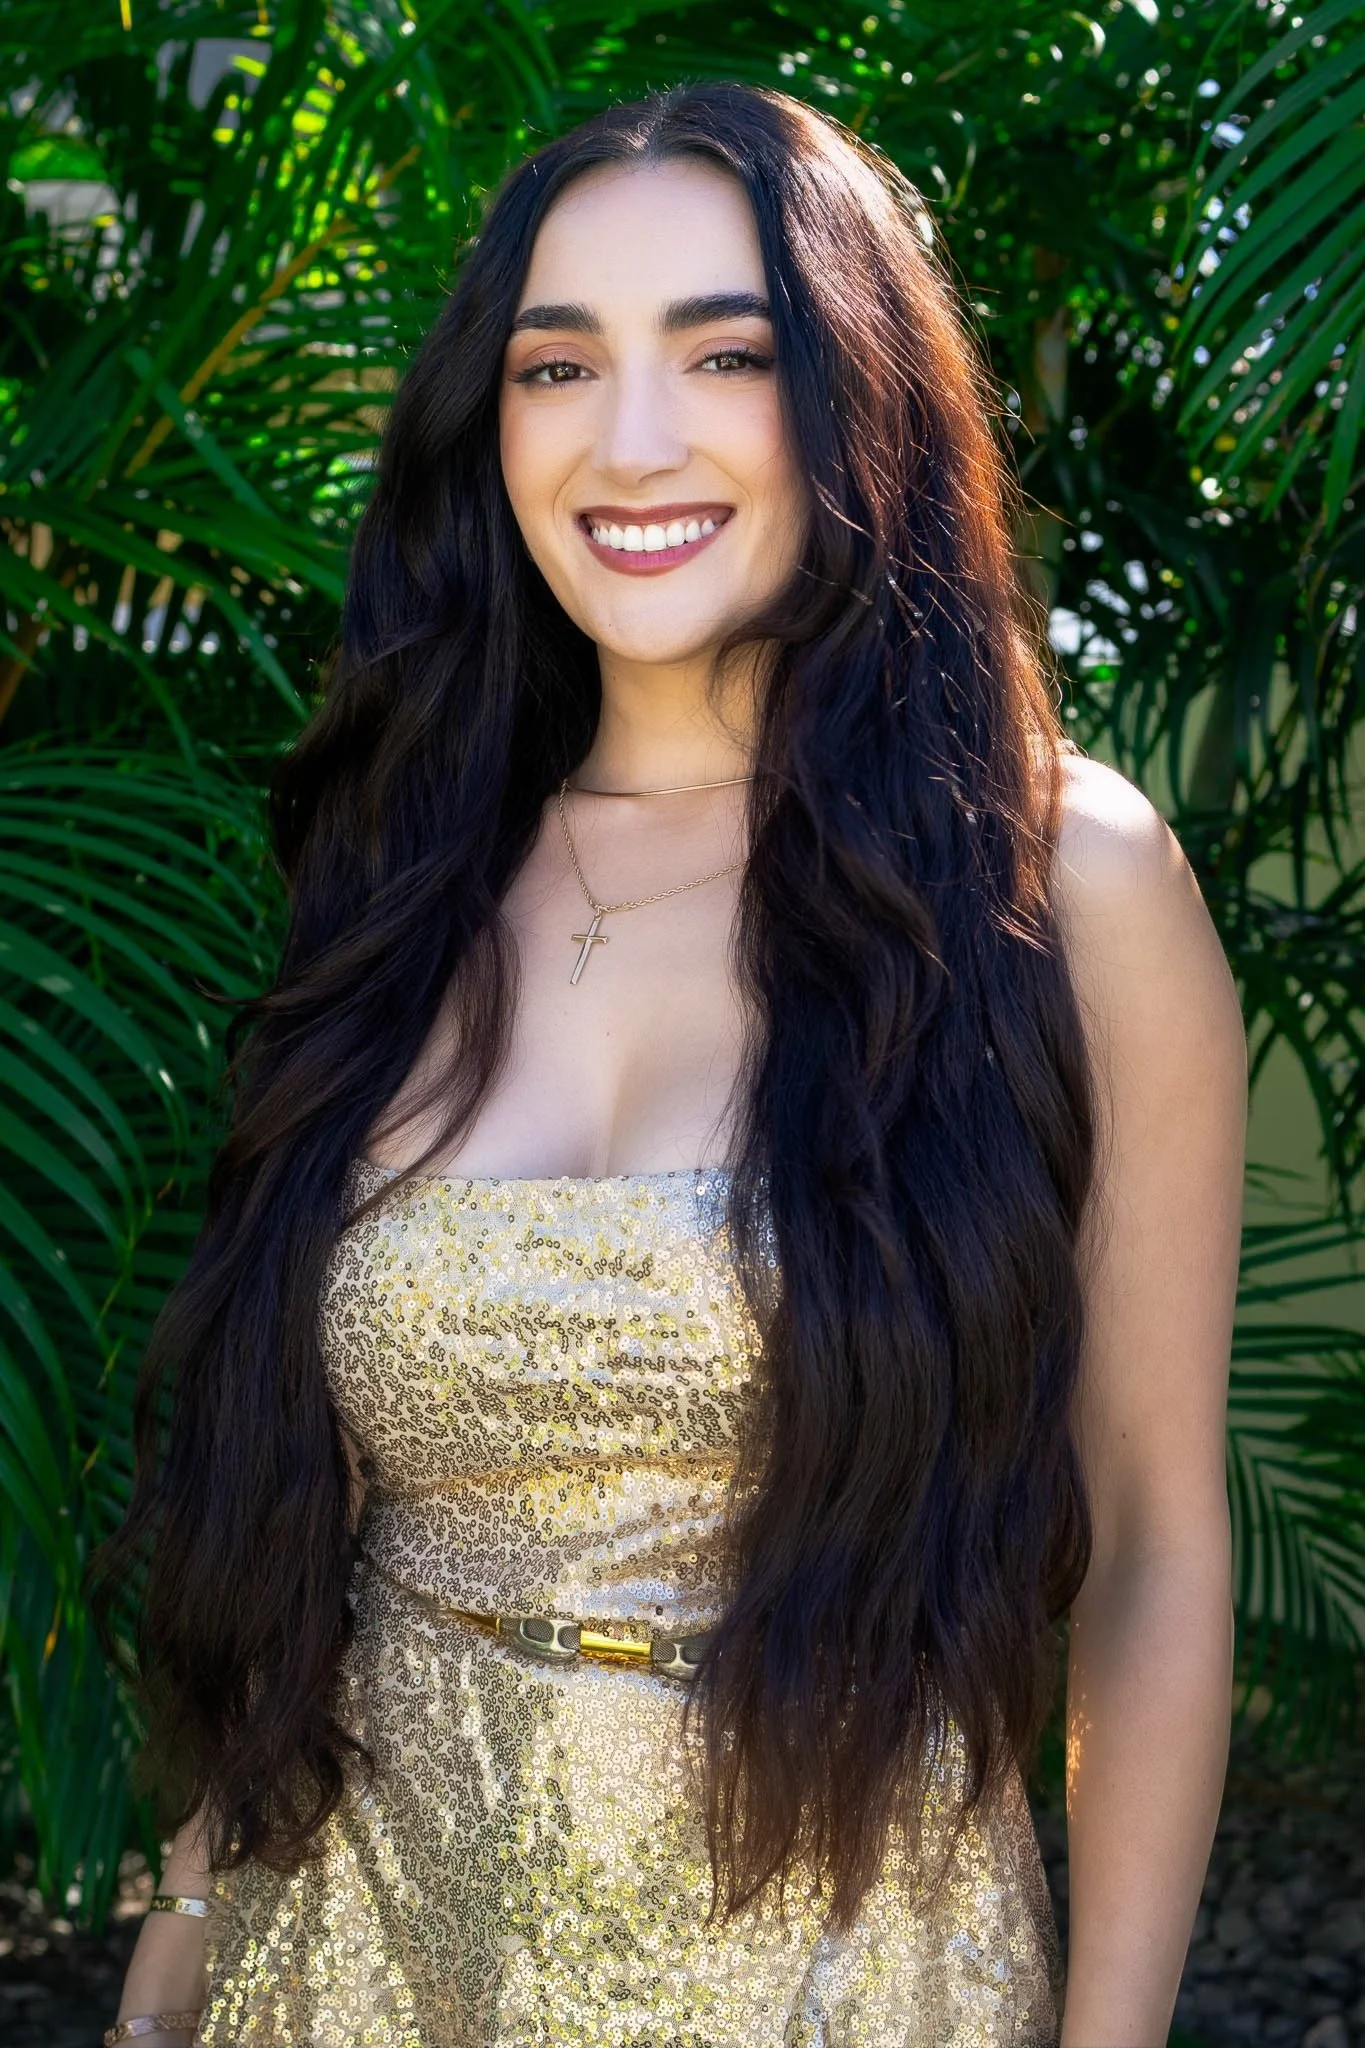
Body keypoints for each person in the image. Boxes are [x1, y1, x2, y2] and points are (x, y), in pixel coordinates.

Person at [99, 81, 1246, 2048]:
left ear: (865, 396)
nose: (631, 439)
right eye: (558, 366)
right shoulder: (407, 867)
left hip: (843, 1973)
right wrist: (171, 1950)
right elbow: (294, 1515)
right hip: (353, 1956)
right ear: (490, 426)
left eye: (728, 352)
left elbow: (1152, 1538)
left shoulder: (1060, 881)